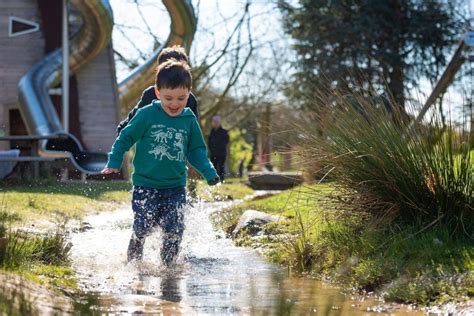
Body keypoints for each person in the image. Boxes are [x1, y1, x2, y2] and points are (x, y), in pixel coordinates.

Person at [102, 60, 220, 265]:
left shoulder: (188, 119)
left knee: (175, 228)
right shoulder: (147, 114)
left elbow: (196, 150)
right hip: (145, 185)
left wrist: (208, 171)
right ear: (157, 93)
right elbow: (125, 138)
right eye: (168, 98)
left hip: (175, 187)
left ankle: (168, 269)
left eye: (181, 98)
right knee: (142, 226)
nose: (175, 104)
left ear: (189, 94)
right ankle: (133, 265)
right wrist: (114, 160)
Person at [117, 45, 199, 136]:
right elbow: (136, 117)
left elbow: (194, 128)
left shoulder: (189, 99)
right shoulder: (151, 94)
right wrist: (124, 130)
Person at [208, 115, 229, 181]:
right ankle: (214, 179)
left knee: (221, 167)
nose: (215, 123)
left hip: (222, 153)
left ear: (219, 122)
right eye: (214, 122)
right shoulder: (212, 132)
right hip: (213, 153)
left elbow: (226, 142)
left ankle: (222, 180)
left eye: (217, 122)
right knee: (213, 166)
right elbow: (210, 142)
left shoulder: (224, 132)